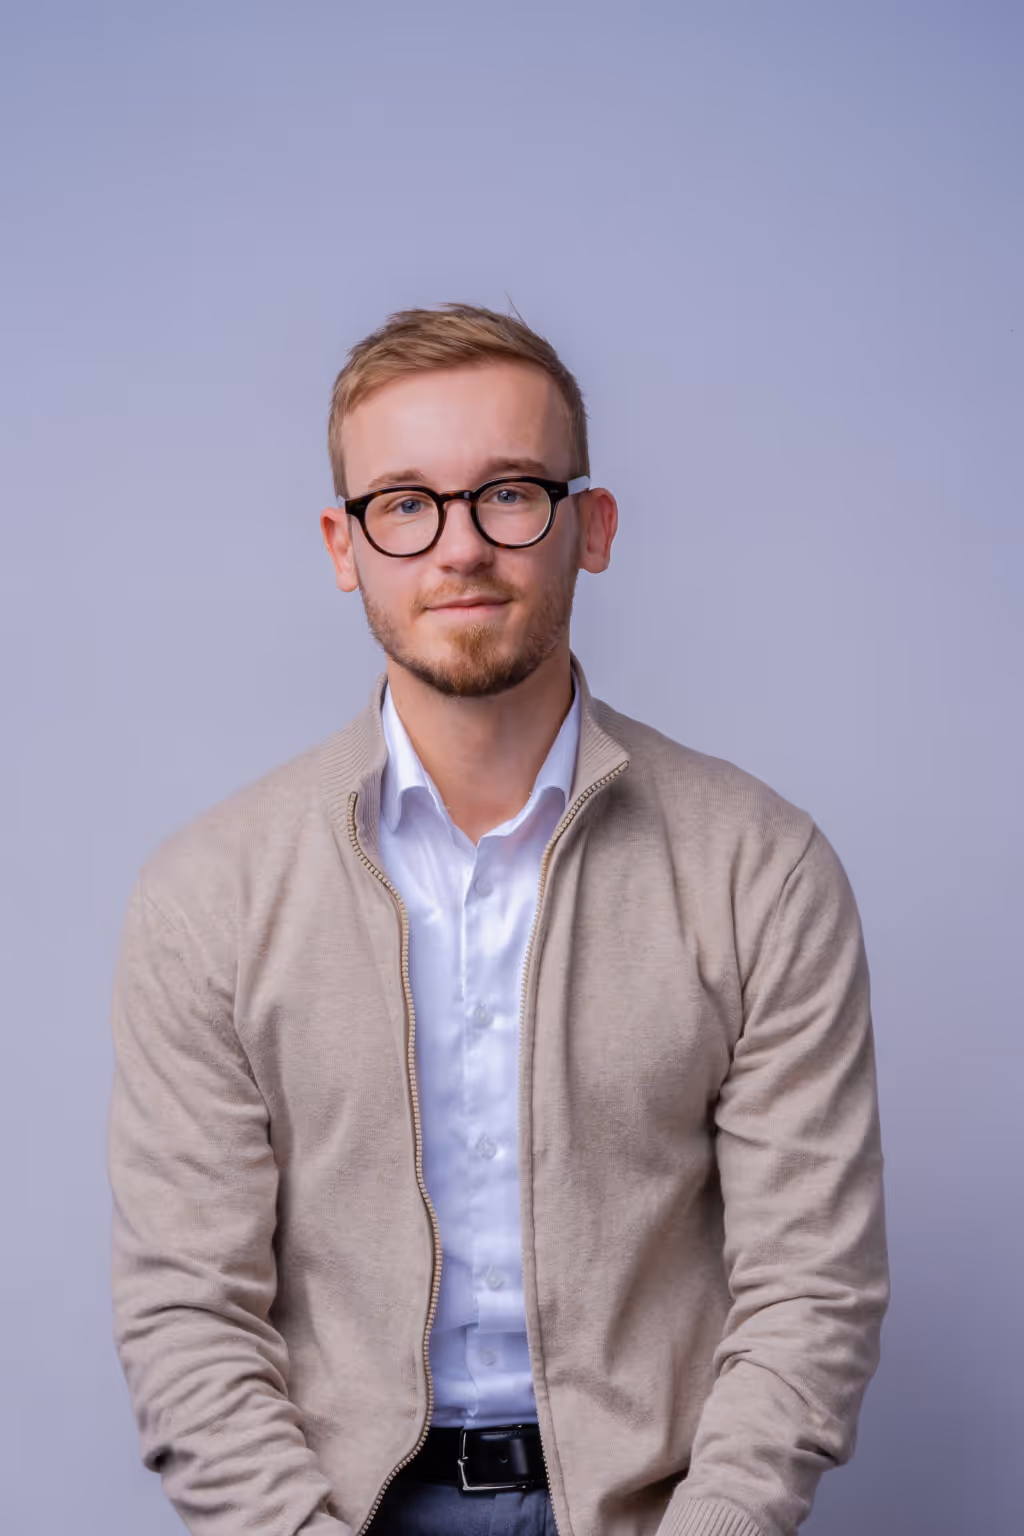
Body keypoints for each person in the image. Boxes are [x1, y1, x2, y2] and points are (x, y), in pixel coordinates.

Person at [108, 303, 889, 1536]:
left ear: (592, 526)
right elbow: (188, 1313)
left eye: (510, 493)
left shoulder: (759, 867)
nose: (458, 548)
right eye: (404, 504)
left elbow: (812, 1289)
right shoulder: (209, 895)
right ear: (342, 544)